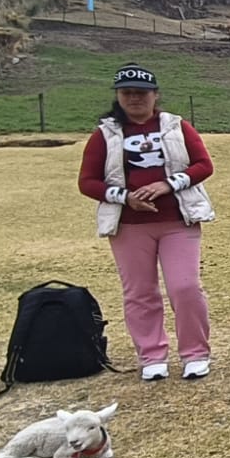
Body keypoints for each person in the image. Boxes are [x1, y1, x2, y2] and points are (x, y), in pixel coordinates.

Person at [76, 63, 214, 382]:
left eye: (142, 93)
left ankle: (195, 353)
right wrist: (124, 196)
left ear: (155, 95)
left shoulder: (176, 126)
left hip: (179, 219)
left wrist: (169, 184)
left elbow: (203, 165)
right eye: (127, 93)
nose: (135, 99)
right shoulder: (105, 134)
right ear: (118, 97)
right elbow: (87, 181)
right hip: (129, 225)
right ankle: (152, 355)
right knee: (139, 291)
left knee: (186, 287)